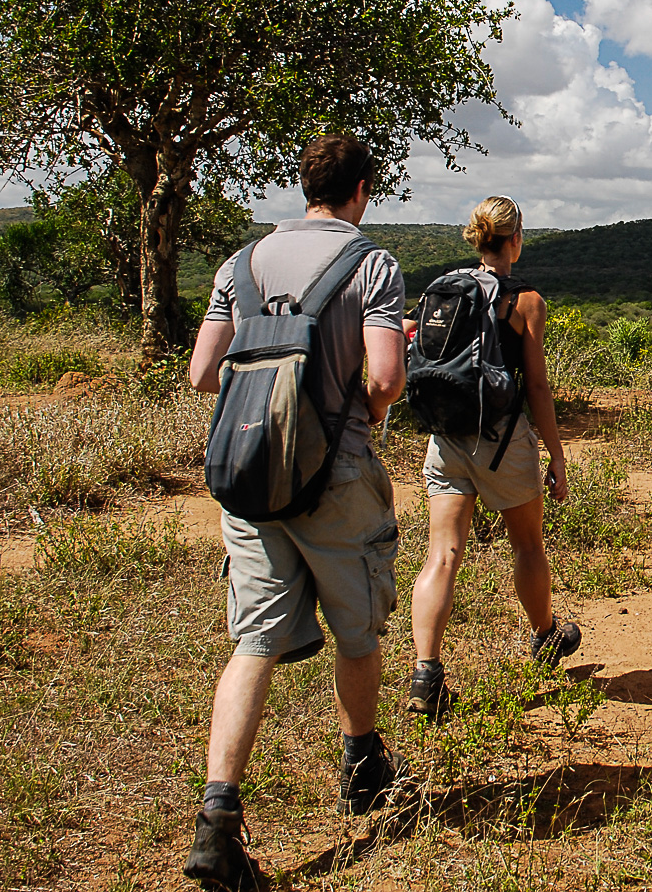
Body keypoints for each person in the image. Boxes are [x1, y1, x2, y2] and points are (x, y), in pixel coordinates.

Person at [183, 135, 409, 891]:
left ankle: (217, 819)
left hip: (248, 472)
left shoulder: (238, 264)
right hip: (338, 470)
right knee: (357, 627)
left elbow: (202, 372)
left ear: (303, 186)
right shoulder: (372, 264)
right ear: (363, 189)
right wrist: (351, 417)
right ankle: (362, 761)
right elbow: (384, 377)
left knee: (253, 640)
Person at [406, 197, 579, 720]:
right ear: (515, 240)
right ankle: (546, 635)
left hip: (446, 438)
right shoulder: (525, 301)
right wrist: (555, 454)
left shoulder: (443, 289)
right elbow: (539, 387)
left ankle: (425, 671)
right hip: (502, 440)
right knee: (527, 544)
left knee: (442, 555)